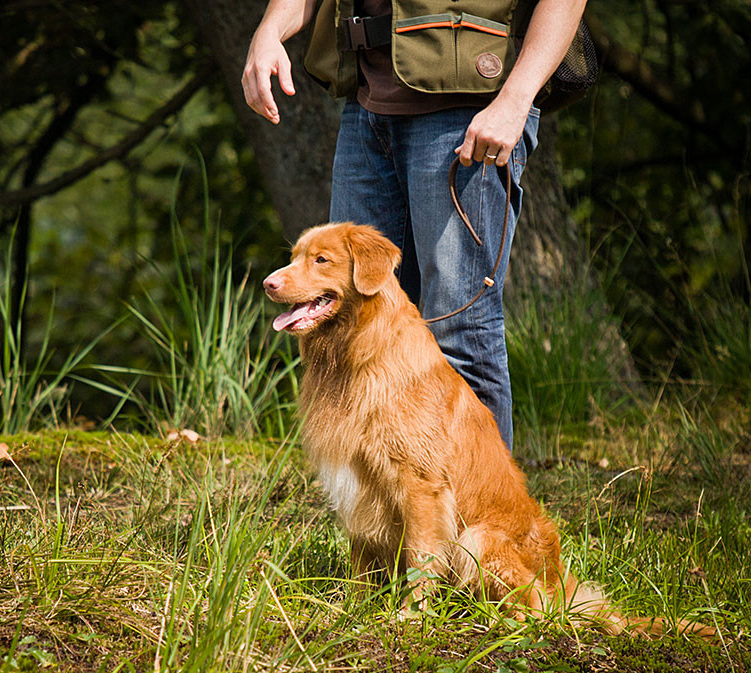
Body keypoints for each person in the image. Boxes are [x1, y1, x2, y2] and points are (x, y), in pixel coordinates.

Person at [242, 0, 586, 450]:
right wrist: (269, 31)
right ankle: (391, 516)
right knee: (356, 322)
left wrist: (516, 99)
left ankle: (485, 515)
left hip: (469, 112)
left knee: (459, 334)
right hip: (367, 109)